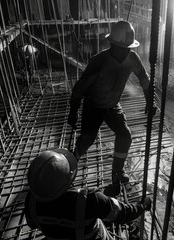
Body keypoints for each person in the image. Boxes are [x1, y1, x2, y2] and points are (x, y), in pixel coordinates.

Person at [67, 20, 154, 192]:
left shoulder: (132, 58)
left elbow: (144, 80)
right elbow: (80, 88)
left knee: (125, 136)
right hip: (94, 105)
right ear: (112, 45)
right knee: (86, 140)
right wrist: (73, 111)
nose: (125, 52)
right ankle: (68, 169)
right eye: (121, 48)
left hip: (113, 105)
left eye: (128, 48)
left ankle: (117, 172)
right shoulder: (99, 62)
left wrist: (150, 103)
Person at [25, 149, 152, 240]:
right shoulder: (90, 200)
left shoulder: (31, 200)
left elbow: (32, 224)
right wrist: (143, 205)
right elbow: (124, 213)